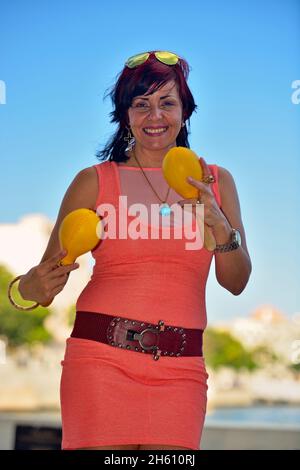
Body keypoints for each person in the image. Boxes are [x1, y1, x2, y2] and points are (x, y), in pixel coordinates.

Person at [16, 50, 252, 450]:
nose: (154, 116)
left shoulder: (216, 181)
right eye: (141, 104)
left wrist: (219, 223)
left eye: (166, 103)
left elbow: (236, 282)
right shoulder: (94, 181)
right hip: (99, 362)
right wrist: (30, 288)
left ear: (185, 110)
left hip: (182, 370)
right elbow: (38, 284)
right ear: (125, 114)